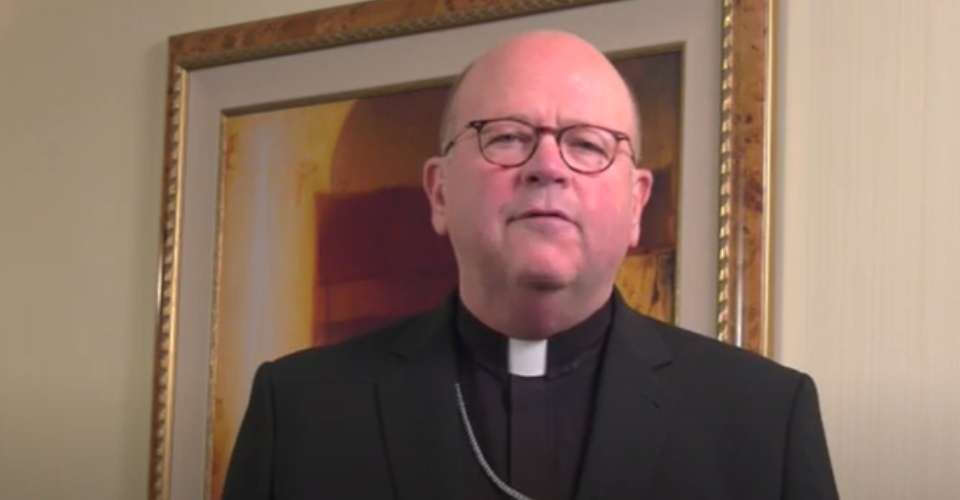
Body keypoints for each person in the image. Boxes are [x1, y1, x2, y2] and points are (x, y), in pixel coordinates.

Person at [223, 31, 839, 500]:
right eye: (507, 136)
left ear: (636, 205)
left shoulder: (765, 419)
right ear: (439, 193)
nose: (547, 166)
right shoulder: (300, 412)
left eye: (588, 144)